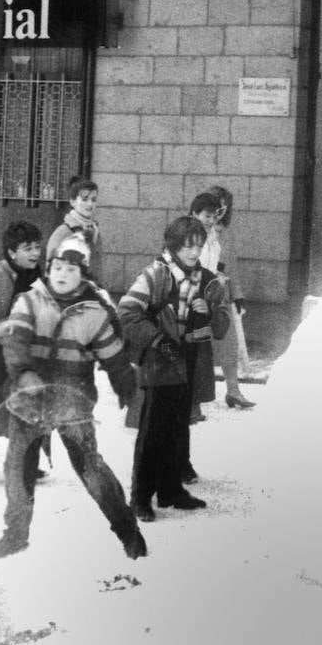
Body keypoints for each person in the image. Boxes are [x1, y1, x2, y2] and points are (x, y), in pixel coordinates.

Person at [0, 235, 145, 560]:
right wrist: (23, 373)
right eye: (57, 267)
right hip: (29, 400)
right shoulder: (30, 301)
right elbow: (16, 340)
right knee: (18, 466)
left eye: (71, 269)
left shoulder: (95, 313)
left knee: (91, 468)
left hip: (72, 400)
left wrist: (125, 384)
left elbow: (113, 355)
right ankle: (16, 534)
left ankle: (127, 530)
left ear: (83, 274)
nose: (61, 274)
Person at [119, 216, 229, 522]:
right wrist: (157, 340)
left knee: (177, 429)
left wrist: (206, 315)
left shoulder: (207, 280)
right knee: (153, 430)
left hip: (189, 361)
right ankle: (140, 497)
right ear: (173, 245)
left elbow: (221, 328)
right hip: (159, 362)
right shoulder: (156, 274)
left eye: (198, 245)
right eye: (187, 246)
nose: (194, 252)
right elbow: (126, 312)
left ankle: (170, 491)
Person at [0, 222, 43, 480]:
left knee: (30, 405)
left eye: (38, 247)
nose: (35, 253)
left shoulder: (39, 277)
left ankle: (25, 464)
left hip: (25, 355)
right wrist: (3, 327)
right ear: (11, 252)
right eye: (28, 248)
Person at [203, 184, 255, 410]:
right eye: (217, 207)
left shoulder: (224, 232)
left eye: (225, 208)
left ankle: (233, 391)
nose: (220, 212)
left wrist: (238, 295)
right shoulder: (192, 228)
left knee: (229, 343)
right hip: (194, 296)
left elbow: (230, 265)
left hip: (220, 297)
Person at [187, 191, 223, 423]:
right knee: (186, 352)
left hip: (205, 303)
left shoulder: (214, 242)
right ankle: (186, 403)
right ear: (194, 214)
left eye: (213, 216)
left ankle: (196, 400)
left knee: (201, 352)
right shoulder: (186, 237)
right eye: (206, 216)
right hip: (187, 299)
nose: (210, 221)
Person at [47, 175, 103, 285]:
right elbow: (50, 273)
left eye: (94, 199)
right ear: (72, 202)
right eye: (85, 199)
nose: (90, 204)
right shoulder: (63, 233)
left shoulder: (95, 231)